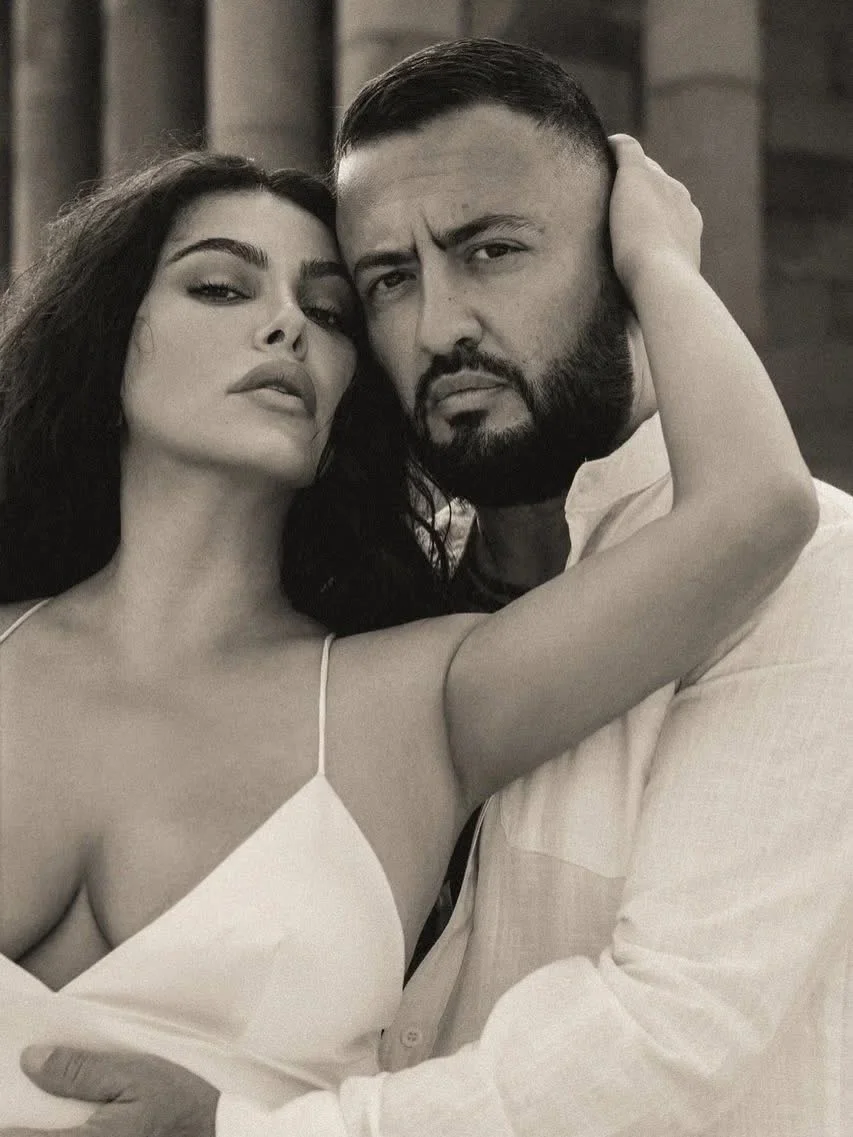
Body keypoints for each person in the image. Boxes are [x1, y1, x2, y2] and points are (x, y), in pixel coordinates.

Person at [28, 39, 850, 1137]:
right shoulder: (405, 600)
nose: (439, 324)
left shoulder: (806, 569)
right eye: (386, 282)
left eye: (491, 251)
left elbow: (673, 1033)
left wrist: (662, 264)